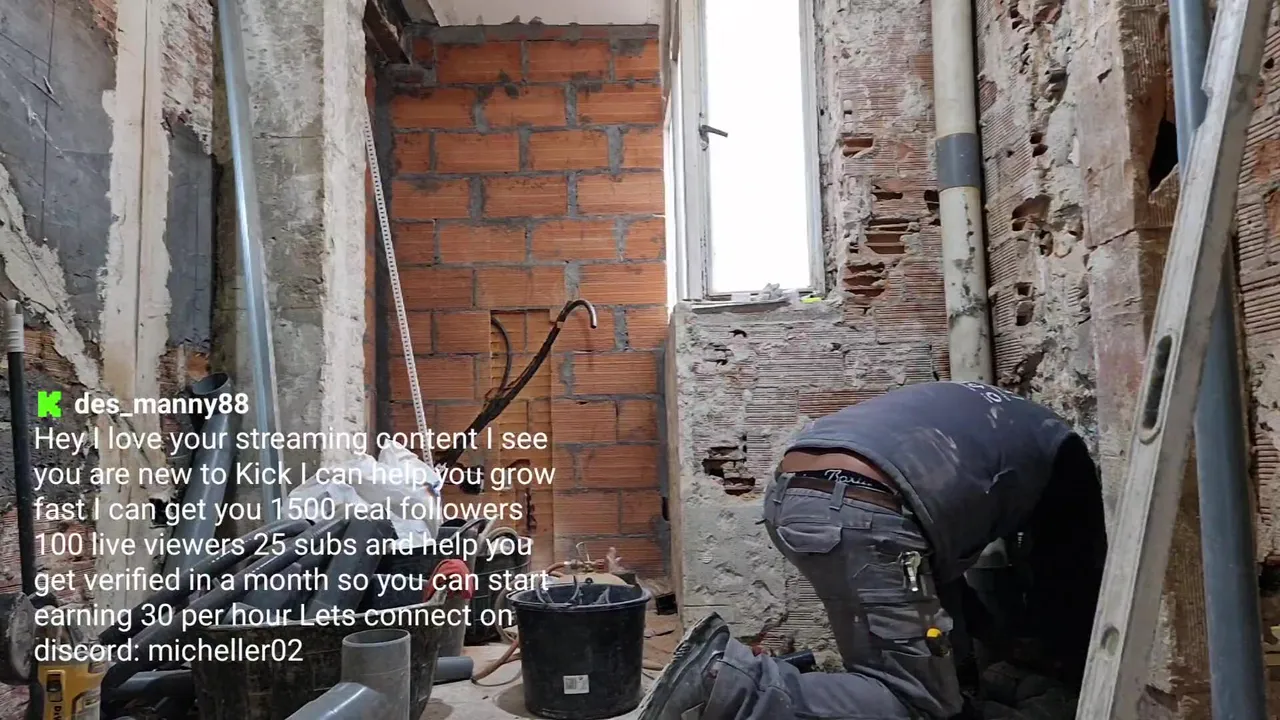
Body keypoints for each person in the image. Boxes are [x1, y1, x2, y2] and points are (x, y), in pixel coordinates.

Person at [639, 380, 1107, 720]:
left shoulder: (1007, 426)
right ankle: (733, 686)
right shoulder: (1066, 461)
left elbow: (938, 590)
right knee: (916, 702)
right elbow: (1069, 580)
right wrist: (1055, 660)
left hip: (795, 495)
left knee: (922, 657)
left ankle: (941, 692)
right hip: (866, 508)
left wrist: (986, 646)